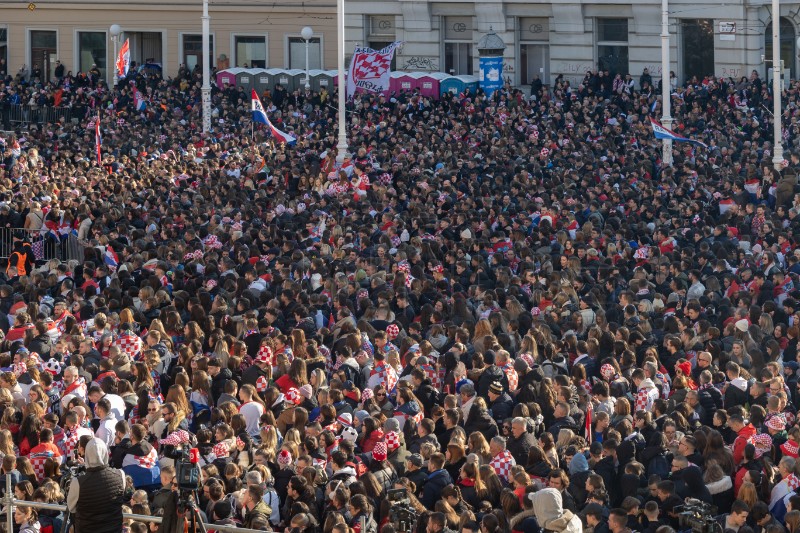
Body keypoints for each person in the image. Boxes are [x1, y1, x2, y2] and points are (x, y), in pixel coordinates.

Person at [67, 437, 126, 533]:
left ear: (87, 455)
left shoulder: (78, 482)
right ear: (105, 453)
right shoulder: (120, 475)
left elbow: (71, 507)